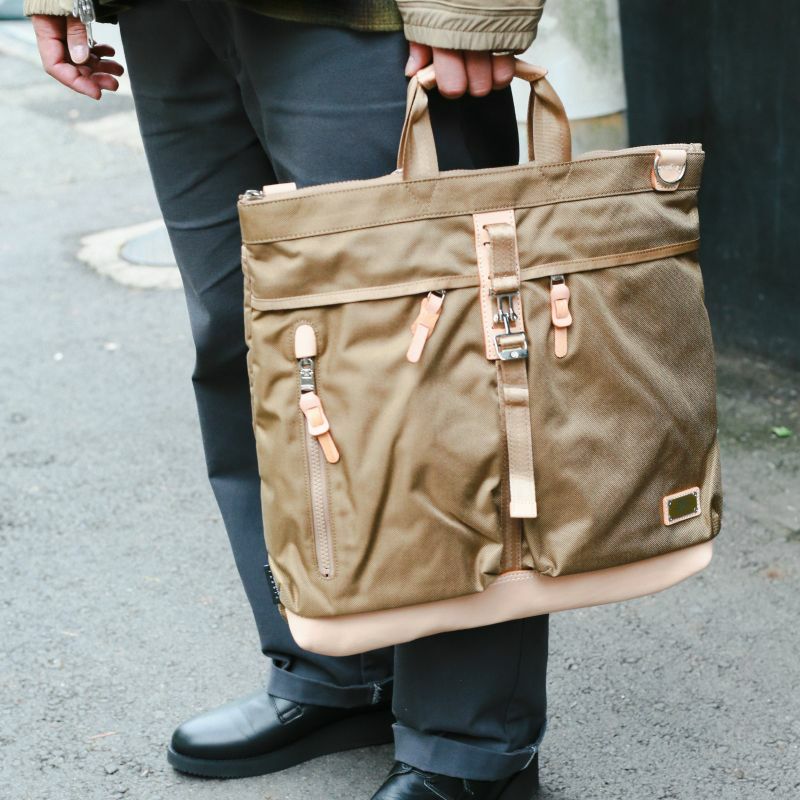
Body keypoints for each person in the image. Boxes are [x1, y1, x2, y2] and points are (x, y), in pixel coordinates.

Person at [27, 1, 550, 797]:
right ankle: (334, 665)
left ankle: (470, 741)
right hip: (169, 16)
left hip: (367, 21)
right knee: (248, 346)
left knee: (425, 359)